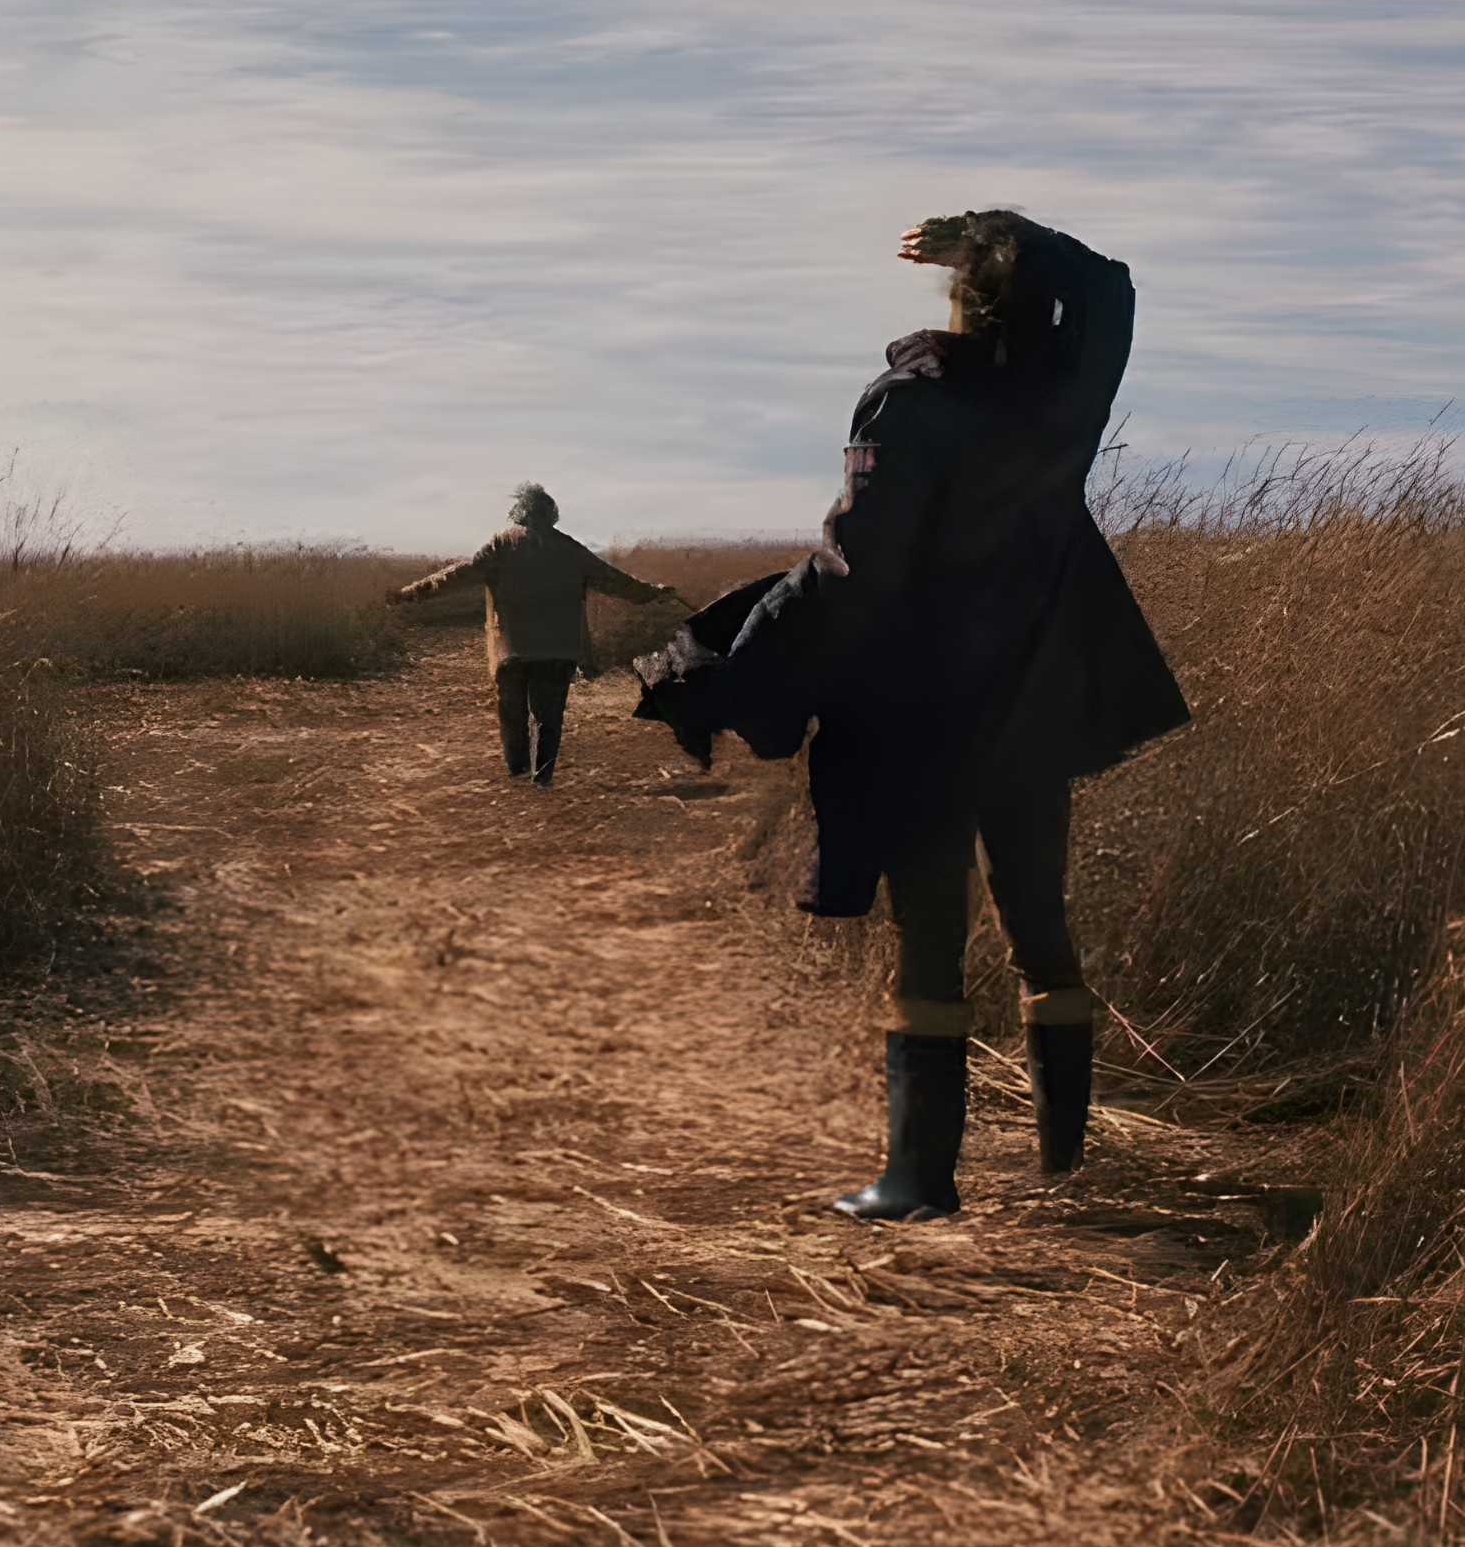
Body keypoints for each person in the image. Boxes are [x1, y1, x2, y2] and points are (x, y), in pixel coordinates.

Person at [633, 212, 1188, 1219]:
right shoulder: (1061, 399)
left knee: (930, 934)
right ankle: (1061, 1162)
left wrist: (744, 647)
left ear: (957, 297)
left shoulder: (908, 401)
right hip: (1032, 701)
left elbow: (857, 567)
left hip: (921, 706)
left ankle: (918, 1178)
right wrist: (998, 230)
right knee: (1039, 920)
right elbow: (1109, 286)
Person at [390, 485, 681, 787]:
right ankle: (542, 778)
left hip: (510, 650)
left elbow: (457, 575)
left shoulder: (501, 546)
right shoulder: (569, 549)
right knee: (548, 716)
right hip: (557, 650)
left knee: (512, 713)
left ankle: (518, 771)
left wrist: (411, 593)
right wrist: (654, 592)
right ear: (551, 515)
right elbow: (614, 581)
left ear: (518, 513)